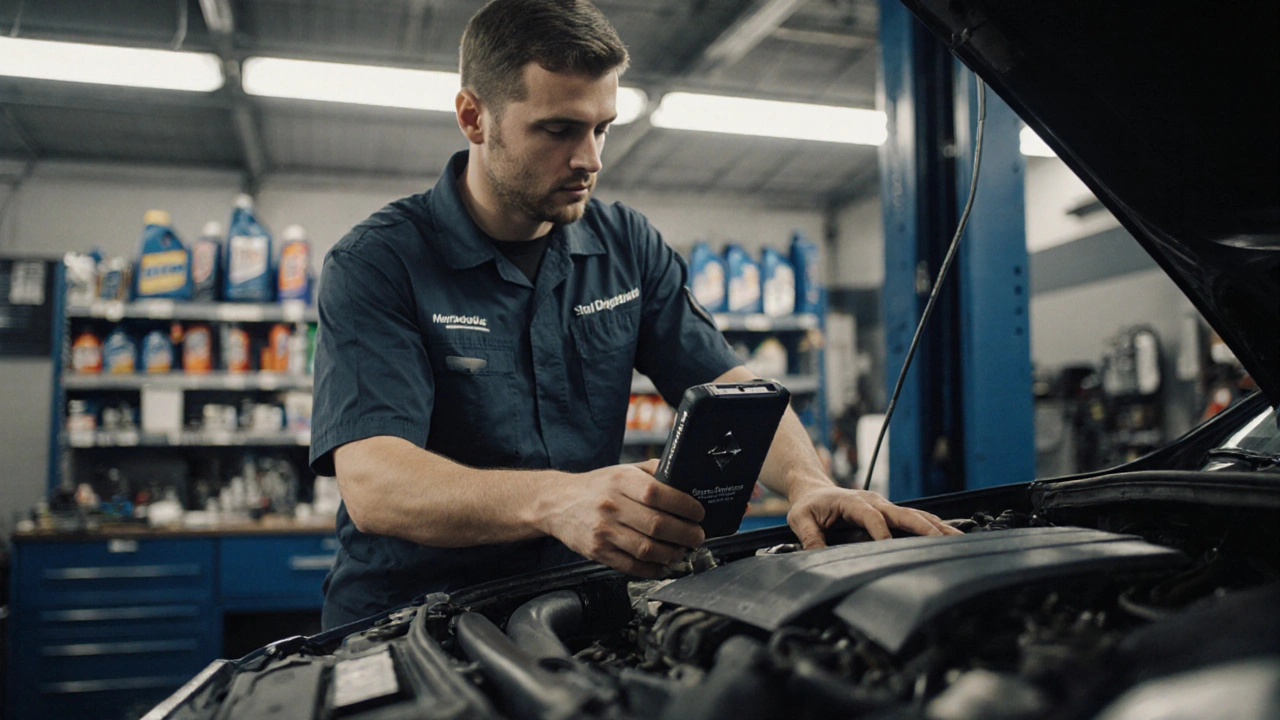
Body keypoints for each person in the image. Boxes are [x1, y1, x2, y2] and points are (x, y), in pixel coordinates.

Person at [310, 0, 960, 630]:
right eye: (558, 130)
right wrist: (556, 499)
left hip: (571, 610)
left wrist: (807, 483)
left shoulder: (626, 247)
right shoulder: (379, 262)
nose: (591, 159)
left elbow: (733, 389)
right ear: (474, 117)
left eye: (602, 128)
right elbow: (374, 481)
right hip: (411, 623)